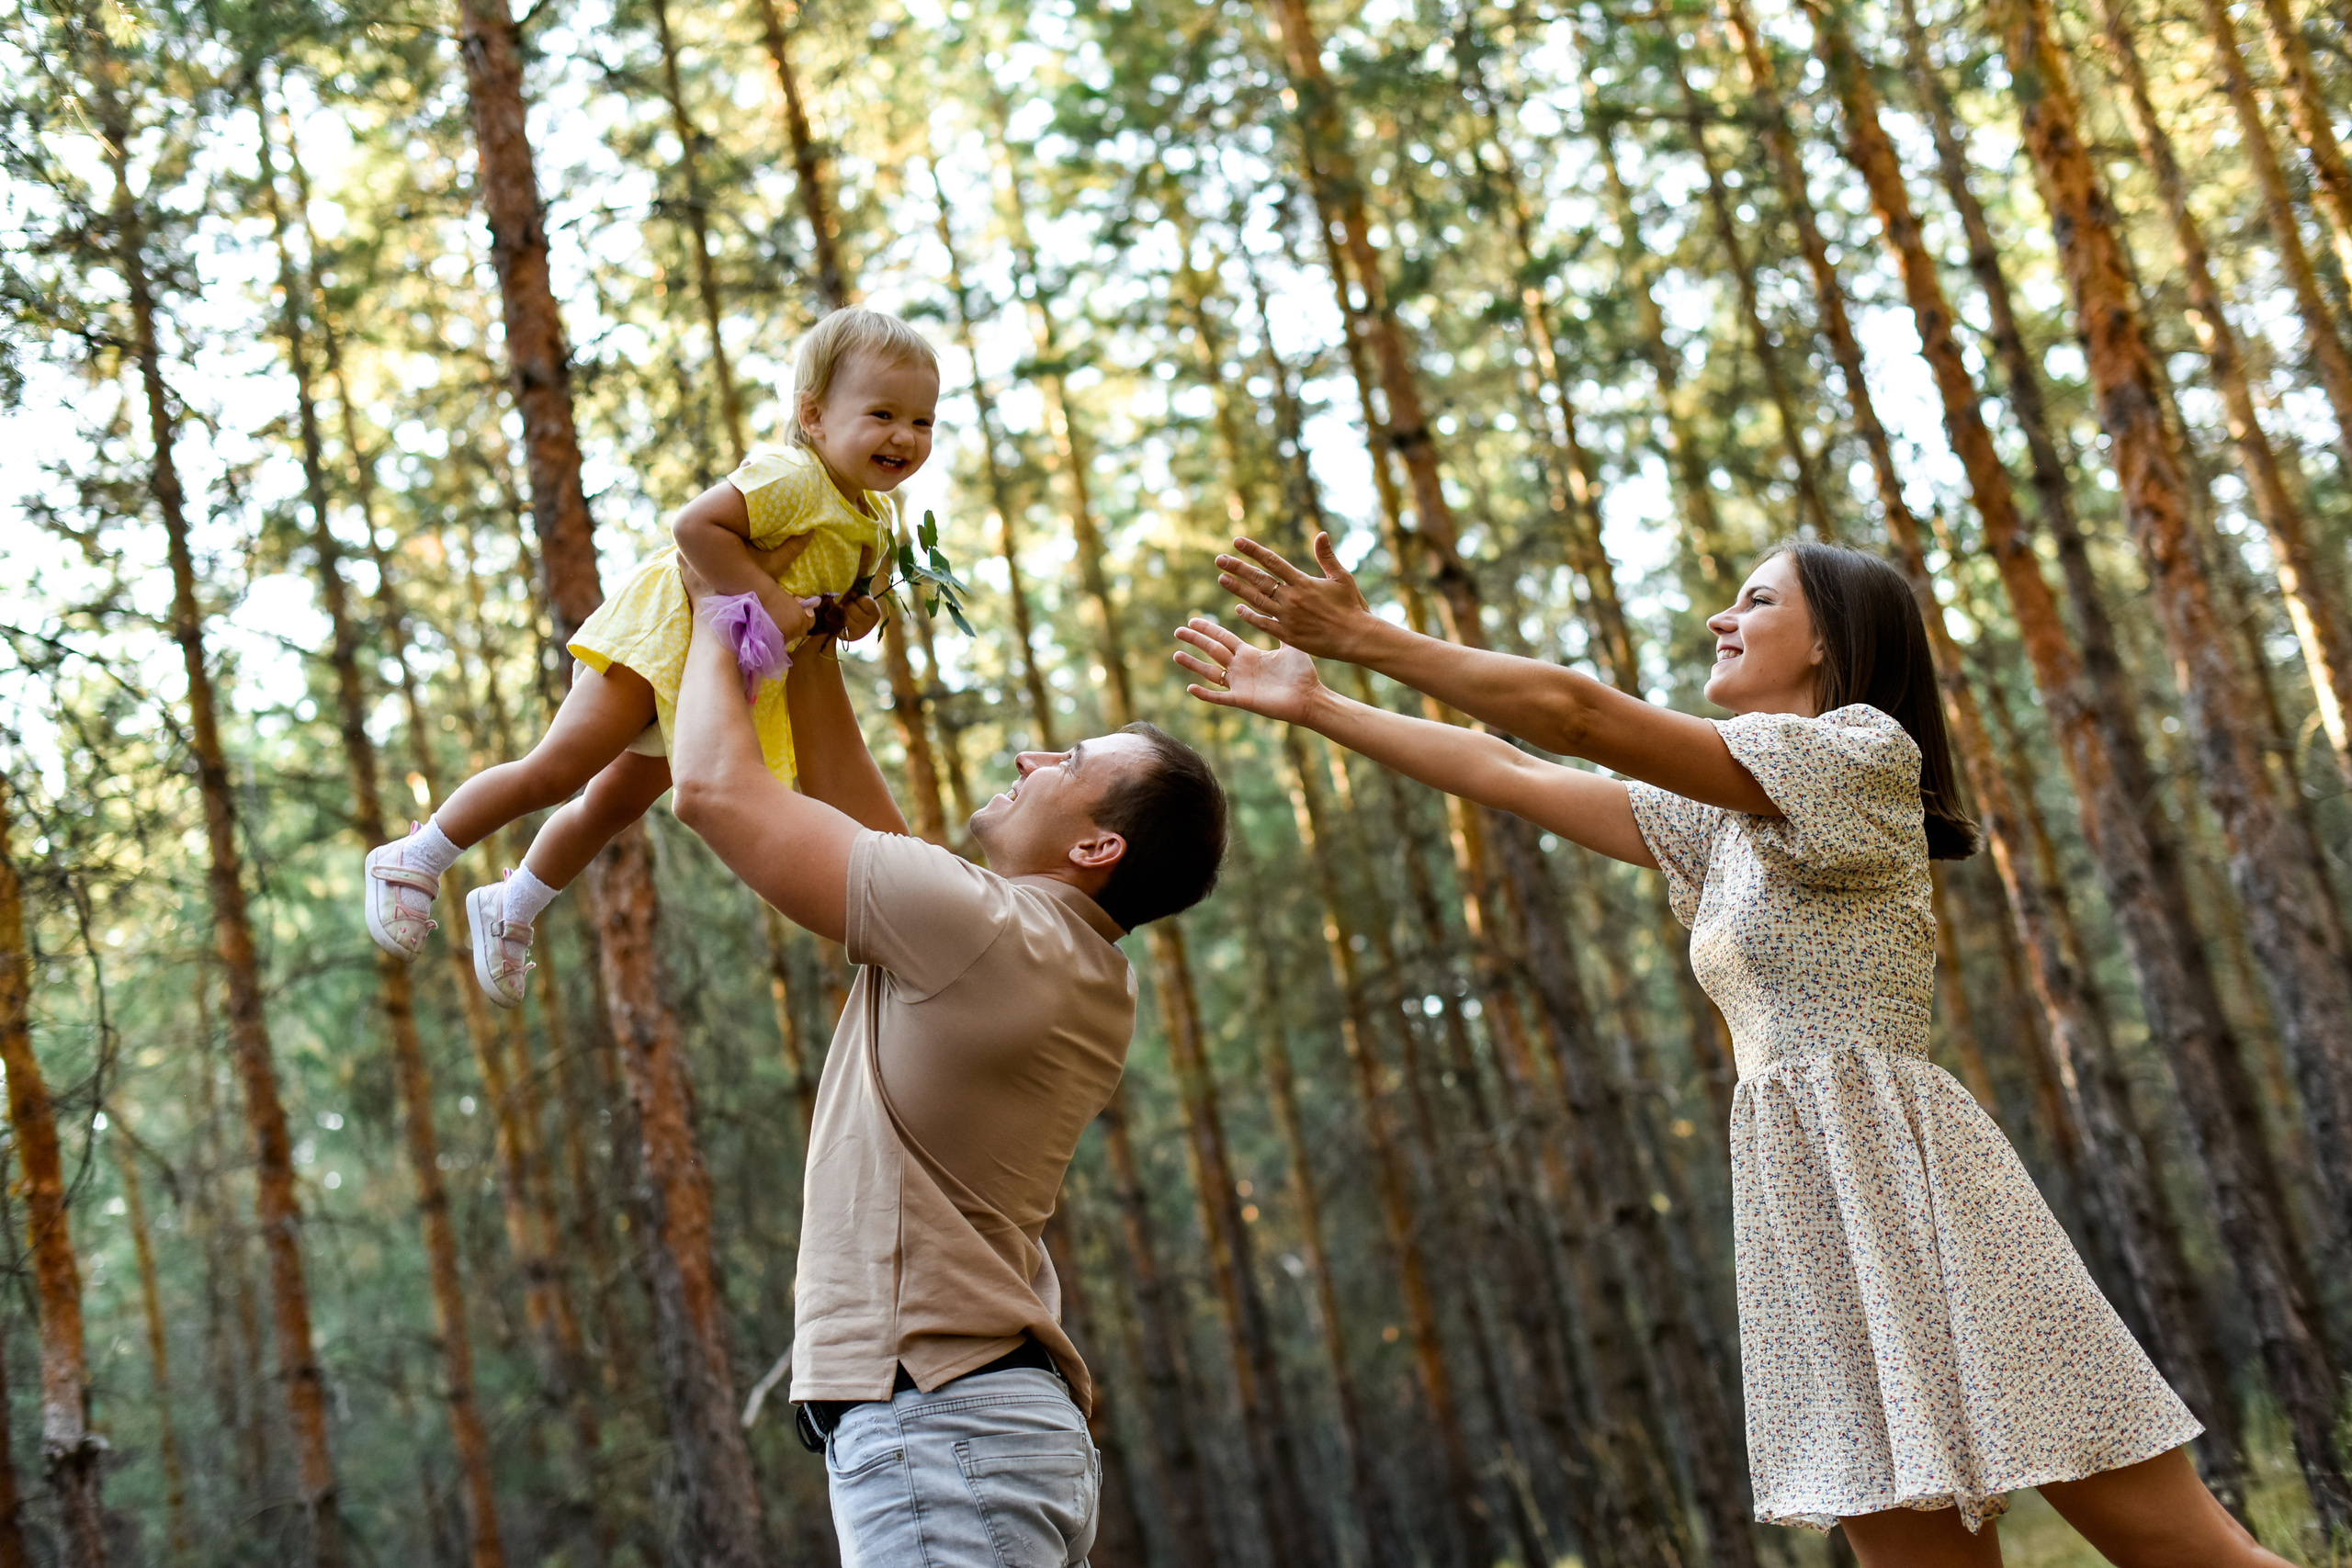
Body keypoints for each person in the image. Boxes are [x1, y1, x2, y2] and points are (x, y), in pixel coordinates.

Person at [1177, 533, 2290, 1568]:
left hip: (1917, 1188)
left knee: (2175, 1550)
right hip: (1808, 1201)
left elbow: (1573, 713)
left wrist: (1367, 639)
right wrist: (1323, 703)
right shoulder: (1723, 820)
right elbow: (1512, 771)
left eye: (1754, 600)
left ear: (1832, 641)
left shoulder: (1856, 755)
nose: (1720, 618)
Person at [668, 556, 1227, 1567]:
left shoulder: (981, 933)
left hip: (944, 1423)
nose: (1028, 759)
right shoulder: (1051, 956)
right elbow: (872, 839)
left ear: (1098, 847)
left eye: (1066, 761)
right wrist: (817, 650)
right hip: (977, 1425)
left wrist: (725, 614)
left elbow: (711, 788)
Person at [360, 307, 935, 1007]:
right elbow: (696, 527)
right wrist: (768, 597)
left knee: (610, 806)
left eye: (922, 421)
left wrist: (853, 613)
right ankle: (412, 859)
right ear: (813, 415)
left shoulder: (877, 520)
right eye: (882, 414)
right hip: (662, 637)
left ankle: (513, 904)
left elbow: (829, 605)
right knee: (560, 767)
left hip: (720, 679)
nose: (904, 436)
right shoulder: (792, 476)